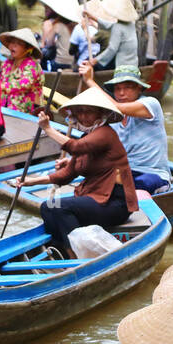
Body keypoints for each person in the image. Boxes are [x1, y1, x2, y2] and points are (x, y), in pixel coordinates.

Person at [10, 87, 138, 256]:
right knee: (47, 207)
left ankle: (76, 256)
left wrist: (48, 129)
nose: (84, 117)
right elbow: (65, 175)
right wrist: (29, 181)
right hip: (94, 198)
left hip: (115, 203)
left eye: (89, 112)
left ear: (100, 114)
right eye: (80, 112)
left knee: (61, 208)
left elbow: (76, 147)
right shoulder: (88, 138)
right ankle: (62, 251)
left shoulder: (105, 133)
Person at [82, 63, 171, 193]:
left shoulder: (151, 104)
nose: (121, 93)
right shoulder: (112, 119)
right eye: (117, 89)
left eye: (127, 88)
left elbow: (117, 107)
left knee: (140, 184)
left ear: (139, 88)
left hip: (153, 174)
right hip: (125, 173)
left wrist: (90, 80)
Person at [0, 28, 45, 115]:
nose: (12, 46)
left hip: (26, 111)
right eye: (12, 42)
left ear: (27, 48)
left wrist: (3, 86)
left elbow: (25, 83)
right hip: (4, 107)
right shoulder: (6, 63)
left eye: (18, 44)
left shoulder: (32, 65)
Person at [86, 0, 140, 70]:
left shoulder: (117, 27)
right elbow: (110, 25)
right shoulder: (131, 24)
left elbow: (112, 49)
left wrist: (95, 60)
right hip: (133, 64)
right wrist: (92, 17)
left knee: (88, 63)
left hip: (121, 65)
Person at [38, 0, 77, 70]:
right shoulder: (77, 26)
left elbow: (49, 43)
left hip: (59, 62)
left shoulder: (58, 25)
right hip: (74, 63)